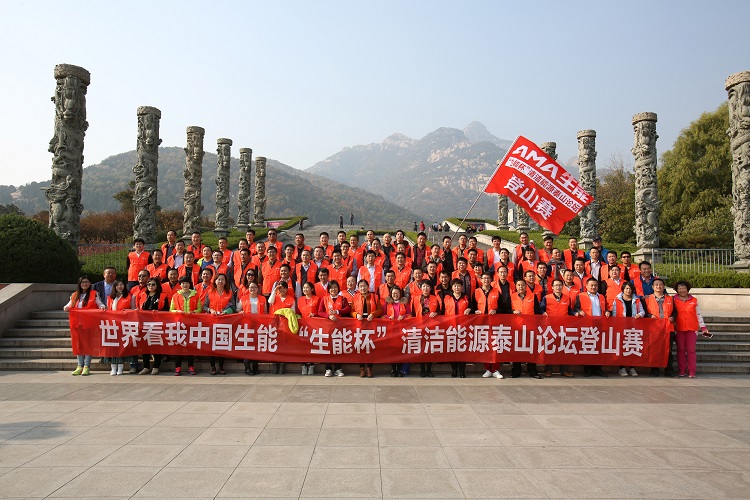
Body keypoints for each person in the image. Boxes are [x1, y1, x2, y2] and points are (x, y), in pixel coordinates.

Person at [64, 275, 106, 376]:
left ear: (90, 283)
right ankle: (79, 366)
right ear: (79, 284)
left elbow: (100, 304)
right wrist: (66, 307)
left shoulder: (94, 294)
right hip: (77, 323)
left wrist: (102, 307)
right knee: (78, 344)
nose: (84, 284)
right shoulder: (75, 295)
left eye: (87, 282)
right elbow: (69, 304)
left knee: (88, 344)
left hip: (89, 324)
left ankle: (86, 366)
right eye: (83, 282)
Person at [573, 278, 610, 377]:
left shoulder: (601, 296)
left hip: (600, 324)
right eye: (591, 285)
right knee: (587, 347)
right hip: (587, 324)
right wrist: (579, 311)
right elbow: (575, 307)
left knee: (599, 347)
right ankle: (588, 370)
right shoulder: (581, 296)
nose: (593, 287)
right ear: (586, 286)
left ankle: (598, 369)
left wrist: (607, 311)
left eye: (595, 285)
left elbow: (605, 308)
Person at [673, 280, 710, 378]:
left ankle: (692, 371)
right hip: (679, 328)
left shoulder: (694, 300)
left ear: (687, 289)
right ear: (677, 290)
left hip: (692, 328)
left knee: (691, 350)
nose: (682, 290)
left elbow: (698, 314)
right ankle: (682, 370)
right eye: (679, 289)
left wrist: (703, 327)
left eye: (684, 288)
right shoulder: (673, 300)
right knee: (681, 350)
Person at [611, 281, 646, 377]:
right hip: (621, 327)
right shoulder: (617, 300)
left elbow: (642, 311)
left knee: (632, 347)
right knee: (621, 348)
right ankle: (621, 368)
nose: (628, 290)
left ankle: (632, 367)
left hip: (633, 327)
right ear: (623, 290)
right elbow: (614, 313)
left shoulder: (637, 300)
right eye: (626, 288)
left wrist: (640, 314)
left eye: (630, 289)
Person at [644, 278, 677, 377]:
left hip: (668, 328)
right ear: (652, 287)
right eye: (656, 285)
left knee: (668, 350)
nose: (659, 286)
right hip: (654, 329)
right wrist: (650, 315)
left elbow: (675, 311)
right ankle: (654, 371)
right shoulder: (647, 299)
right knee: (654, 350)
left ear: (664, 286)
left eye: (661, 285)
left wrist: (673, 317)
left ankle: (669, 371)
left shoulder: (670, 299)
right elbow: (644, 312)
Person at [204, 273, 236, 375]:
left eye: (223, 279)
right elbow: (204, 306)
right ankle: (212, 367)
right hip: (211, 321)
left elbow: (233, 307)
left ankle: (221, 366)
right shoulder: (210, 292)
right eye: (219, 279)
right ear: (215, 281)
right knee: (211, 345)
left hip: (224, 321)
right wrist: (210, 310)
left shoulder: (229, 293)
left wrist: (226, 312)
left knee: (222, 344)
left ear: (226, 282)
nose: (220, 281)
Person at [510, 278, 543, 379]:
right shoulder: (512, 296)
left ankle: (532, 370)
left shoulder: (533, 296)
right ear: (516, 287)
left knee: (531, 349)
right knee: (516, 349)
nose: (521, 287)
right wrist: (513, 312)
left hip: (530, 327)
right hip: (516, 327)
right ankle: (516, 370)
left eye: (523, 285)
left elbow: (537, 312)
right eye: (519, 285)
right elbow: (506, 309)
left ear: (526, 286)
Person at [541, 279, 574, 377]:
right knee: (550, 348)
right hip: (550, 327)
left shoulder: (567, 298)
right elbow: (541, 309)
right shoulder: (546, 298)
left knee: (564, 348)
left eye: (560, 285)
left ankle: (564, 370)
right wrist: (543, 313)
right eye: (556, 285)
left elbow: (569, 310)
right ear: (552, 287)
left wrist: (576, 313)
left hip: (563, 327)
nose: (558, 287)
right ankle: (548, 370)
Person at [170, 276, 202, 376]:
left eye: (187, 283)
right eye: (183, 283)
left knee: (190, 345)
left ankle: (191, 366)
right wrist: (177, 312)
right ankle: (178, 367)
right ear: (180, 285)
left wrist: (194, 312)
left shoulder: (195, 294)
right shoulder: (176, 295)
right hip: (179, 324)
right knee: (178, 346)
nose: (185, 285)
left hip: (191, 324)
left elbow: (200, 308)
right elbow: (171, 309)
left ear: (190, 284)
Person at [318, 280, 349, 377]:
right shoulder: (325, 299)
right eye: (331, 288)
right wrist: (328, 316)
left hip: (339, 327)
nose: (333, 289)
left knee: (338, 347)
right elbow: (320, 311)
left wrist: (338, 312)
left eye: (335, 287)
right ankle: (328, 368)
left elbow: (348, 309)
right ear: (328, 289)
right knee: (328, 347)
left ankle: (338, 368)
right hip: (328, 326)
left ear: (338, 288)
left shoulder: (343, 299)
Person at [351, 279, 382, 377]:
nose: (363, 288)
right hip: (359, 325)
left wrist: (373, 314)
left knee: (370, 347)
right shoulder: (355, 297)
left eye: (364, 286)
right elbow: (351, 310)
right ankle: (361, 368)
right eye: (360, 286)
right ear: (358, 288)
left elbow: (380, 309)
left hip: (371, 325)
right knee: (360, 346)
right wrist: (356, 315)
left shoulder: (375, 297)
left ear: (368, 287)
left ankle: (369, 368)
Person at [475, 272, 503, 379]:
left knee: (495, 346)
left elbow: (503, 307)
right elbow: (472, 306)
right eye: (484, 278)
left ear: (491, 280)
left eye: (488, 278)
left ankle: (495, 369)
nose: (486, 280)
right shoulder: (476, 292)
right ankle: (487, 368)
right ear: (481, 280)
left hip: (494, 322)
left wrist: (496, 311)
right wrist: (475, 310)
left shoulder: (497, 291)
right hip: (482, 323)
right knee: (485, 346)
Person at [139, 278, 169, 375]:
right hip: (144, 323)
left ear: (157, 286)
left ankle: (156, 366)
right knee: (145, 346)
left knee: (156, 345)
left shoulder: (163, 296)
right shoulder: (143, 295)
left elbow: (166, 309)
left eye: (153, 284)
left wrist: (158, 313)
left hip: (157, 323)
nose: (150, 286)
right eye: (149, 284)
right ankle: (146, 366)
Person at [443, 279, 472, 378]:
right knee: (452, 349)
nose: (457, 288)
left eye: (458, 286)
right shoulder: (447, 298)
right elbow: (442, 311)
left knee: (462, 350)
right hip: (450, 327)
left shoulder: (466, 297)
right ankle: (454, 370)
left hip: (463, 327)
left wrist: (469, 309)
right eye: (455, 286)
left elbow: (473, 308)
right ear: (452, 287)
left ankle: (462, 371)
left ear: (462, 287)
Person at [237, 281, 266, 375]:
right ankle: (247, 367)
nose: (252, 289)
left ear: (258, 289)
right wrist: (241, 312)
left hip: (258, 324)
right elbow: (238, 309)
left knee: (256, 345)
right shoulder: (243, 298)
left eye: (254, 287)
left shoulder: (262, 298)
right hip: (247, 325)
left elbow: (265, 312)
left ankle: (255, 366)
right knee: (247, 346)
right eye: (250, 287)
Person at [104, 279, 131, 376]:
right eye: (117, 285)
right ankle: (113, 367)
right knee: (112, 347)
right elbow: (108, 310)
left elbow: (132, 309)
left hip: (124, 324)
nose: (119, 287)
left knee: (121, 347)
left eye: (121, 284)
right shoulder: (110, 298)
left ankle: (120, 367)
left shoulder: (129, 296)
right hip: (112, 325)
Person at [386, 286, 411, 377]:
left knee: (401, 350)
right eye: (393, 293)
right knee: (392, 350)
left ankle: (399, 369)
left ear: (400, 294)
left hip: (402, 330)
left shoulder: (404, 303)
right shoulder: (387, 304)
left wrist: (404, 316)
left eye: (397, 293)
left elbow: (410, 315)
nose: (395, 295)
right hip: (391, 330)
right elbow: (382, 315)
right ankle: (394, 369)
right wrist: (388, 317)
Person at [298, 281, 320, 375]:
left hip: (313, 325)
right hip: (302, 326)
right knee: (303, 346)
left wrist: (314, 314)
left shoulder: (317, 299)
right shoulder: (300, 299)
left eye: (307, 287)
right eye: (304, 288)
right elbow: (298, 312)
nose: (305, 289)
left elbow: (320, 311)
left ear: (312, 289)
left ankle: (311, 365)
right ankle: (303, 365)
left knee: (312, 345)